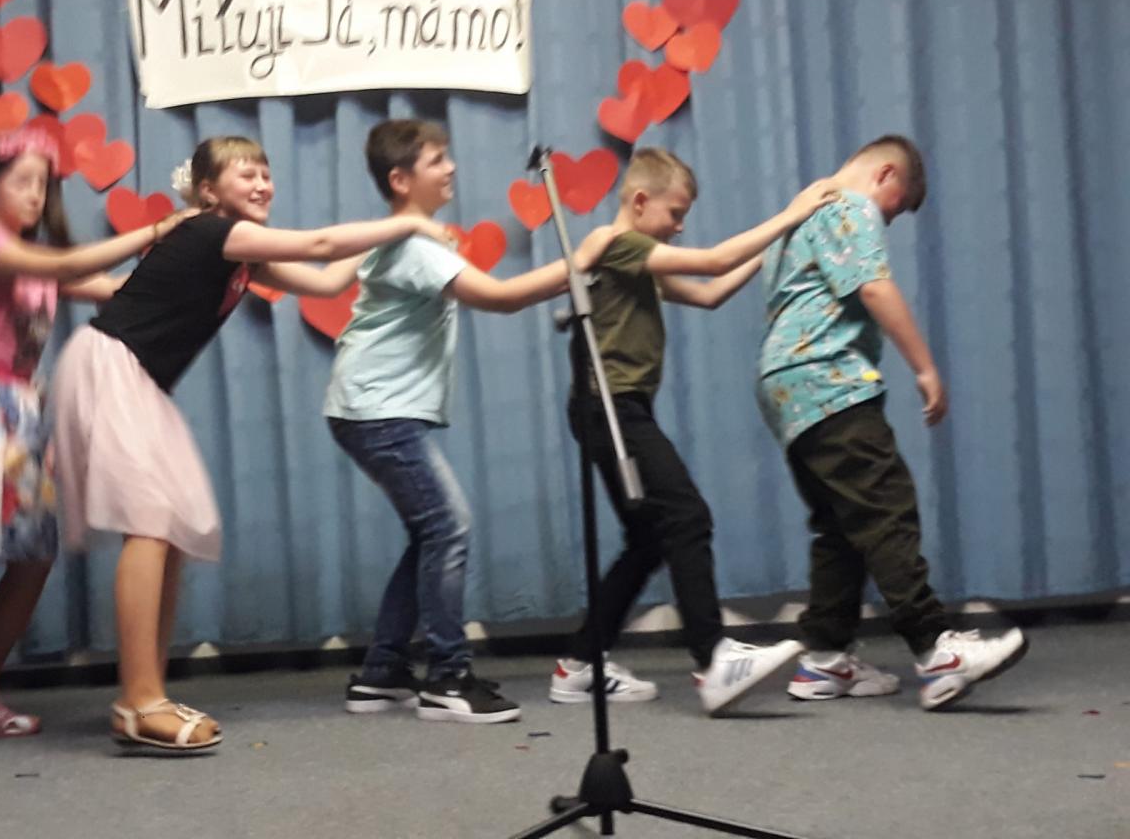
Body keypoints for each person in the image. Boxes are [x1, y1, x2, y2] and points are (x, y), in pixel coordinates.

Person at [50, 135, 449, 752]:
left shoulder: (239, 251)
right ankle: (139, 701)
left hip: (137, 377)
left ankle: (145, 692)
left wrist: (392, 235)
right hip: (111, 366)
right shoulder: (215, 232)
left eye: (266, 174)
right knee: (151, 522)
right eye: (246, 175)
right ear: (209, 192)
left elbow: (325, 280)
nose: (262, 184)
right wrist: (407, 222)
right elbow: (319, 245)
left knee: (170, 527)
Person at [0, 128, 194, 774]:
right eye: (21, 181)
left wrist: (203, 257)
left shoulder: (33, 259)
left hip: (19, 412)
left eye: (42, 185)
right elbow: (62, 267)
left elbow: (111, 287)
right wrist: (154, 230)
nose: (34, 195)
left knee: (32, 559)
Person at [328, 119, 612, 724]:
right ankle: (448, 676)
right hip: (378, 410)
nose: (452, 167)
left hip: (371, 408)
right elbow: (502, 298)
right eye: (437, 160)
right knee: (448, 526)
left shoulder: (408, 238)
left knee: (431, 532)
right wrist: (580, 259)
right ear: (400, 179)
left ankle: (382, 672)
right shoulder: (415, 247)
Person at [547, 147, 836, 716]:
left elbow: (709, 293)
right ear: (640, 201)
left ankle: (579, 664)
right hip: (611, 407)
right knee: (686, 516)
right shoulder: (620, 244)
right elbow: (711, 261)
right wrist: (791, 213)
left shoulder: (637, 260)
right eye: (675, 213)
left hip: (613, 409)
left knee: (649, 538)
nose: (680, 226)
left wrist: (775, 242)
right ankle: (712, 661)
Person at [756, 135, 1027, 711]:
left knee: (841, 525)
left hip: (785, 386)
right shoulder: (850, 207)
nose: (886, 221)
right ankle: (935, 650)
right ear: (885, 176)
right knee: (886, 508)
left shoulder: (796, 221)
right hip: (829, 378)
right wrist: (925, 368)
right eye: (894, 209)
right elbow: (874, 286)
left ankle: (824, 658)